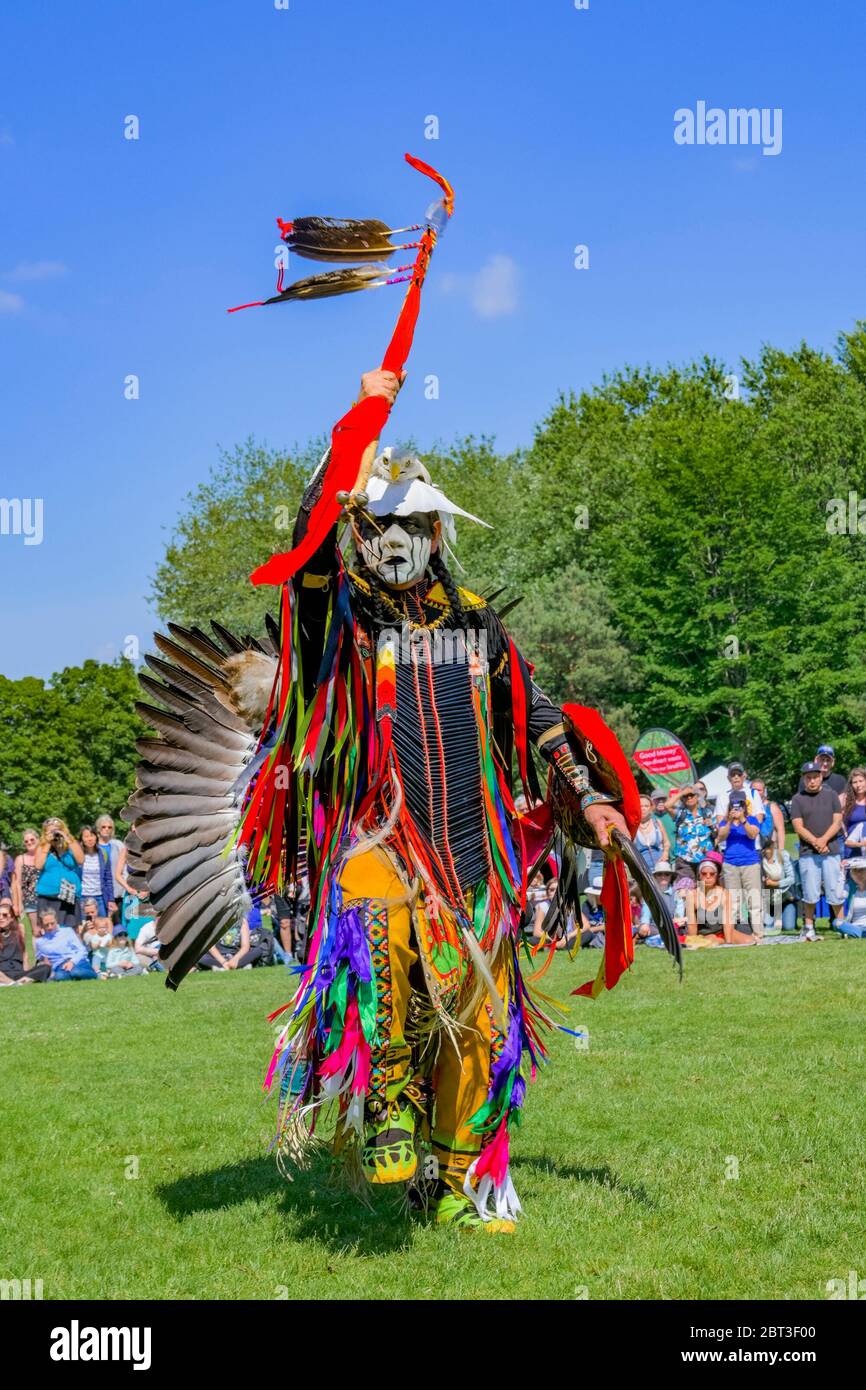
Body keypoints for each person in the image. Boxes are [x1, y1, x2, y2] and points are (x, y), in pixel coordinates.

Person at [126, 366, 674, 1235]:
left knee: (478, 1018)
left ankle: (455, 1183)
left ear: (437, 533)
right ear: (359, 531)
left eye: (411, 525)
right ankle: (385, 1097)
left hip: (474, 853)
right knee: (375, 926)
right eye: (378, 525)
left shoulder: (480, 626)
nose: (395, 540)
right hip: (379, 834)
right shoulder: (339, 624)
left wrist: (588, 800)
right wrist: (352, 433)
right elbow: (301, 567)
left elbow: (536, 724)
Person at [790, 760, 845, 939]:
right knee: (810, 892)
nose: (812, 781)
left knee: (834, 891)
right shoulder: (798, 799)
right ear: (804, 779)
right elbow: (798, 827)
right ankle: (809, 927)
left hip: (832, 850)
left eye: (815, 777)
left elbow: (837, 822)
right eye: (808, 778)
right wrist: (816, 842)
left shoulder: (831, 796)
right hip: (808, 853)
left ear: (821, 777)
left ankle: (842, 926)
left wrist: (824, 840)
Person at [716, 790, 763, 939]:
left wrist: (743, 819)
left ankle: (758, 934)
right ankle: (731, 935)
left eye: (740, 804)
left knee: (754, 900)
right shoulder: (725, 821)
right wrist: (730, 821)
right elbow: (720, 836)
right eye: (734, 804)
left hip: (750, 863)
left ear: (745, 804)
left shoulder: (752, 819)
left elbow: (753, 834)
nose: (737, 807)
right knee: (733, 902)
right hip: (731, 864)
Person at [684, 855, 754, 947]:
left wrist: (728, 942)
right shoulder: (692, 895)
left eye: (712, 874)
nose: (708, 877)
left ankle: (721, 941)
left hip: (723, 932)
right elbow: (691, 924)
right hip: (702, 935)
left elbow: (728, 922)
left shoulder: (724, 893)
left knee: (749, 940)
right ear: (699, 875)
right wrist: (693, 941)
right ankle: (718, 941)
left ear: (716, 876)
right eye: (704, 874)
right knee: (711, 939)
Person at [34, 819, 84, 927]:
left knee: (68, 927)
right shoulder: (42, 847)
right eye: (50, 831)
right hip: (47, 894)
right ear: (45, 833)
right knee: (49, 928)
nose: (54, 834)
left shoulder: (70, 844)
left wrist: (66, 838)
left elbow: (80, 860)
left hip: (68, 890)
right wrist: (48, 844)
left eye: (56, 830)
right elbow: (38, 865)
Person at [669, 785, 715, 886]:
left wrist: (712, 824)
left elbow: (717, 832)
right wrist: (682, 792)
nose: (689, 797)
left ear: (697, 796)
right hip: (685, 859)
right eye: (686, 796)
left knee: (704, 891)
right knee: (686, 892)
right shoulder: (680, 814)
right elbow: (667, 805)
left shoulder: (707, 812)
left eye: (692, 795)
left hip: (705, 858)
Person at [34, 908, 98, 980]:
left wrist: (72, 962)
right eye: (46, 925)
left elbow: (82, 950)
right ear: (42, 925)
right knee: (60, 977)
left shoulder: (67, 931)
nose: (50, 927)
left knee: (76, 972)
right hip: (60, 966)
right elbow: (40, 960)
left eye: (52, 923)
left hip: (77, 960)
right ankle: (76, 977)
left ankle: (96, 974)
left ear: (56, 920)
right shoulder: (40, 942)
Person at [0, 904, 51, 984]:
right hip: (2, 972)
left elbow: (24, 953)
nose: (1, 918)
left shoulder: (20, 929)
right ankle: (15, 983)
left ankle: (16, 982)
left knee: (46, 967)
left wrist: (26, 972)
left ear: (12, 917)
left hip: (18, 972)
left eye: (4, 915)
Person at [760, 839, 798, 934]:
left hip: (785, 897)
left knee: (789, 927)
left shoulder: (783, 855)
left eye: (770, 848)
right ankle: (771, 919)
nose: (768, 851)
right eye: (765, 849)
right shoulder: (759, 859)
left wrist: (775, 883)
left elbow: (792, 879)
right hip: (767, 899)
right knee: (767, 927)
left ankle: (783, 915)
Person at [78, 825, 116, 917]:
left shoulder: (103, 853)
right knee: (84, 926)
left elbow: (108, 878)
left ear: (96, 836)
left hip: (99, 897)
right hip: (82, 896)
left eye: (92, 835)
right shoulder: (78, 854)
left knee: (101, 925)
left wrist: (111, 899)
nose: (90, 839)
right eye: (86, 837)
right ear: (82, 839)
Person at [95, 815, 126, 919]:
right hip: (100, 890)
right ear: (98, 828)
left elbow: (124, 868)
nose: (106, 829)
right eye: (103, 827)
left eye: (109, 827)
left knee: (118, 921)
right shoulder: (94, 846)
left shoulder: (118, 845)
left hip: (117, 889)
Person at [14, 827, 40, 942]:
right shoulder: (21, 859)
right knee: (36, 931)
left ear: (38, 840)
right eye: (26, 841)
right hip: (30, 900)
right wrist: (19, 904)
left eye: (32, 840)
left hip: (47, 898)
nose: (29, 842)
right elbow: (17, 883)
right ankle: (38, 959)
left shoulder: (45, 856)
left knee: (49, 929)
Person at [633, 794, 670, 873]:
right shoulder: (632, 826)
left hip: (660, 867)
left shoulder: (657, 822)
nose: (643, 809)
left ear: (651, 808)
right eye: (640, 806)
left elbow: (666, 842)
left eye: (646, 806)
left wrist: (665, 853)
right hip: (642, 867)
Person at [749, 778, 786, 851]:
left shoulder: (772, 807)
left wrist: (781, 850)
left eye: (759, 790)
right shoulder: (747, 807)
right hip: (752, 849)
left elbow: (780, 829)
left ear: (764, 791)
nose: (756, 792)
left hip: (770, 849)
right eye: (754, 790)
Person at [836, 857, 866, 938]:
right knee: (837, 923)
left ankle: (853, 934)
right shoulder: (850, 886)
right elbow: (839, 896)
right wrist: (841, 873)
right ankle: (858, 933)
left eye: (861, 871)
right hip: (855, 926)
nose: (858, 874)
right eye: (854, 871)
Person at [841, 767, 866, 861]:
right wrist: (844, 831)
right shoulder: (846, 800)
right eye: (855, 782)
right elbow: (835, 816)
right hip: (852, 849)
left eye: (861, 781)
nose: (858, 785)